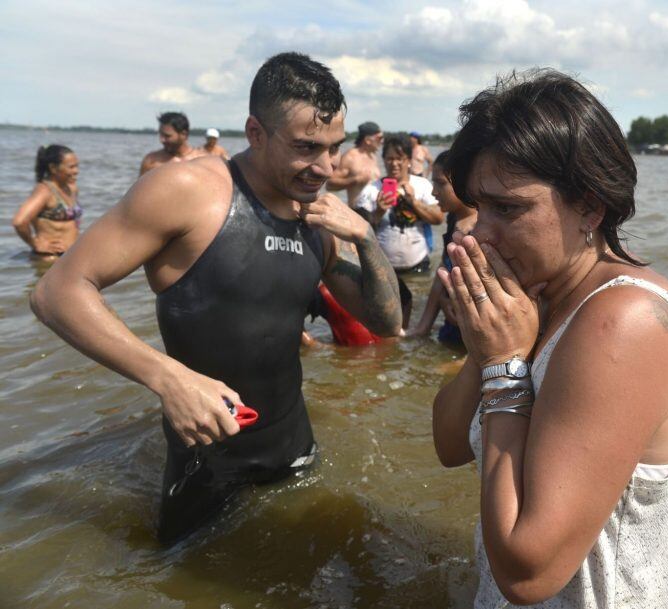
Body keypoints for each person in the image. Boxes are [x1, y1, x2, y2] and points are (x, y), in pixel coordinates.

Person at [31, 52, 402, 544]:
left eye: (333, 148)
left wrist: (366, 239)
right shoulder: (186, 190)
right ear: (255, 133)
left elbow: (386, 322)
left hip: (294, 447)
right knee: (178, 579)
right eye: (307, 147)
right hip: (205, 462)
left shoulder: (319, 216)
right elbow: (56, 292)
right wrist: (169, 379)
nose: (325, 168)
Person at [433, 69, 668, 608]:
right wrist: (487, 349)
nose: (477, 231)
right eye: (476, 205)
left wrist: (506, 367)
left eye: (507, 208)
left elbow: (528, 572)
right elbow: (447, 446)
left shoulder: (622, 323)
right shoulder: (536, 296)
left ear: (589, 205)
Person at [354, 134, 443, 328]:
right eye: (389, 158)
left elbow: (438, 218)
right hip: (384, 270)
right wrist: (378, 211)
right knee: (387, 321)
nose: (394, 164)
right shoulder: (371, 190)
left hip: (418, 267)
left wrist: (414, 203)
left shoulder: (422, 186)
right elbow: (357, 233)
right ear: (383, 160)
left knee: (415, 313)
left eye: (400, 159)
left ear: (409, 161)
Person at [408, 151, 477, 344]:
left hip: (474, 337)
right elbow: (443, 272)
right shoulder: (455, 218)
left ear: (464, 182)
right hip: (452, 325)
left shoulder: (482, 229)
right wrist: (422, 328)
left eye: (440, 183)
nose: (433, 192)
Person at [12, 145, 82, 257]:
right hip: (50, 258)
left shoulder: (71, 188)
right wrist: (34, 243)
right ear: (53, 168)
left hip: (70, 256)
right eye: (71, 167)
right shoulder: (45, 191)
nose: (76, 171)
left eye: (77, 166)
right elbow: (19, 222)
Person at [325, 121, 383, 205]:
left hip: (375, 214)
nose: (382, 141)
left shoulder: (373, 157)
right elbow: (329, 185)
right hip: (358, 211)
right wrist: (355, 180)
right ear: (368, 140)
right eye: (379, 138)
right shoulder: (350, 157)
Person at [139, 111, 207, 175]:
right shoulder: (151, 161)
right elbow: (140, 187)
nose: (162, 140)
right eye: (161, 135)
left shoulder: (202, 160)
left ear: (184, 134)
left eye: (167, 136)